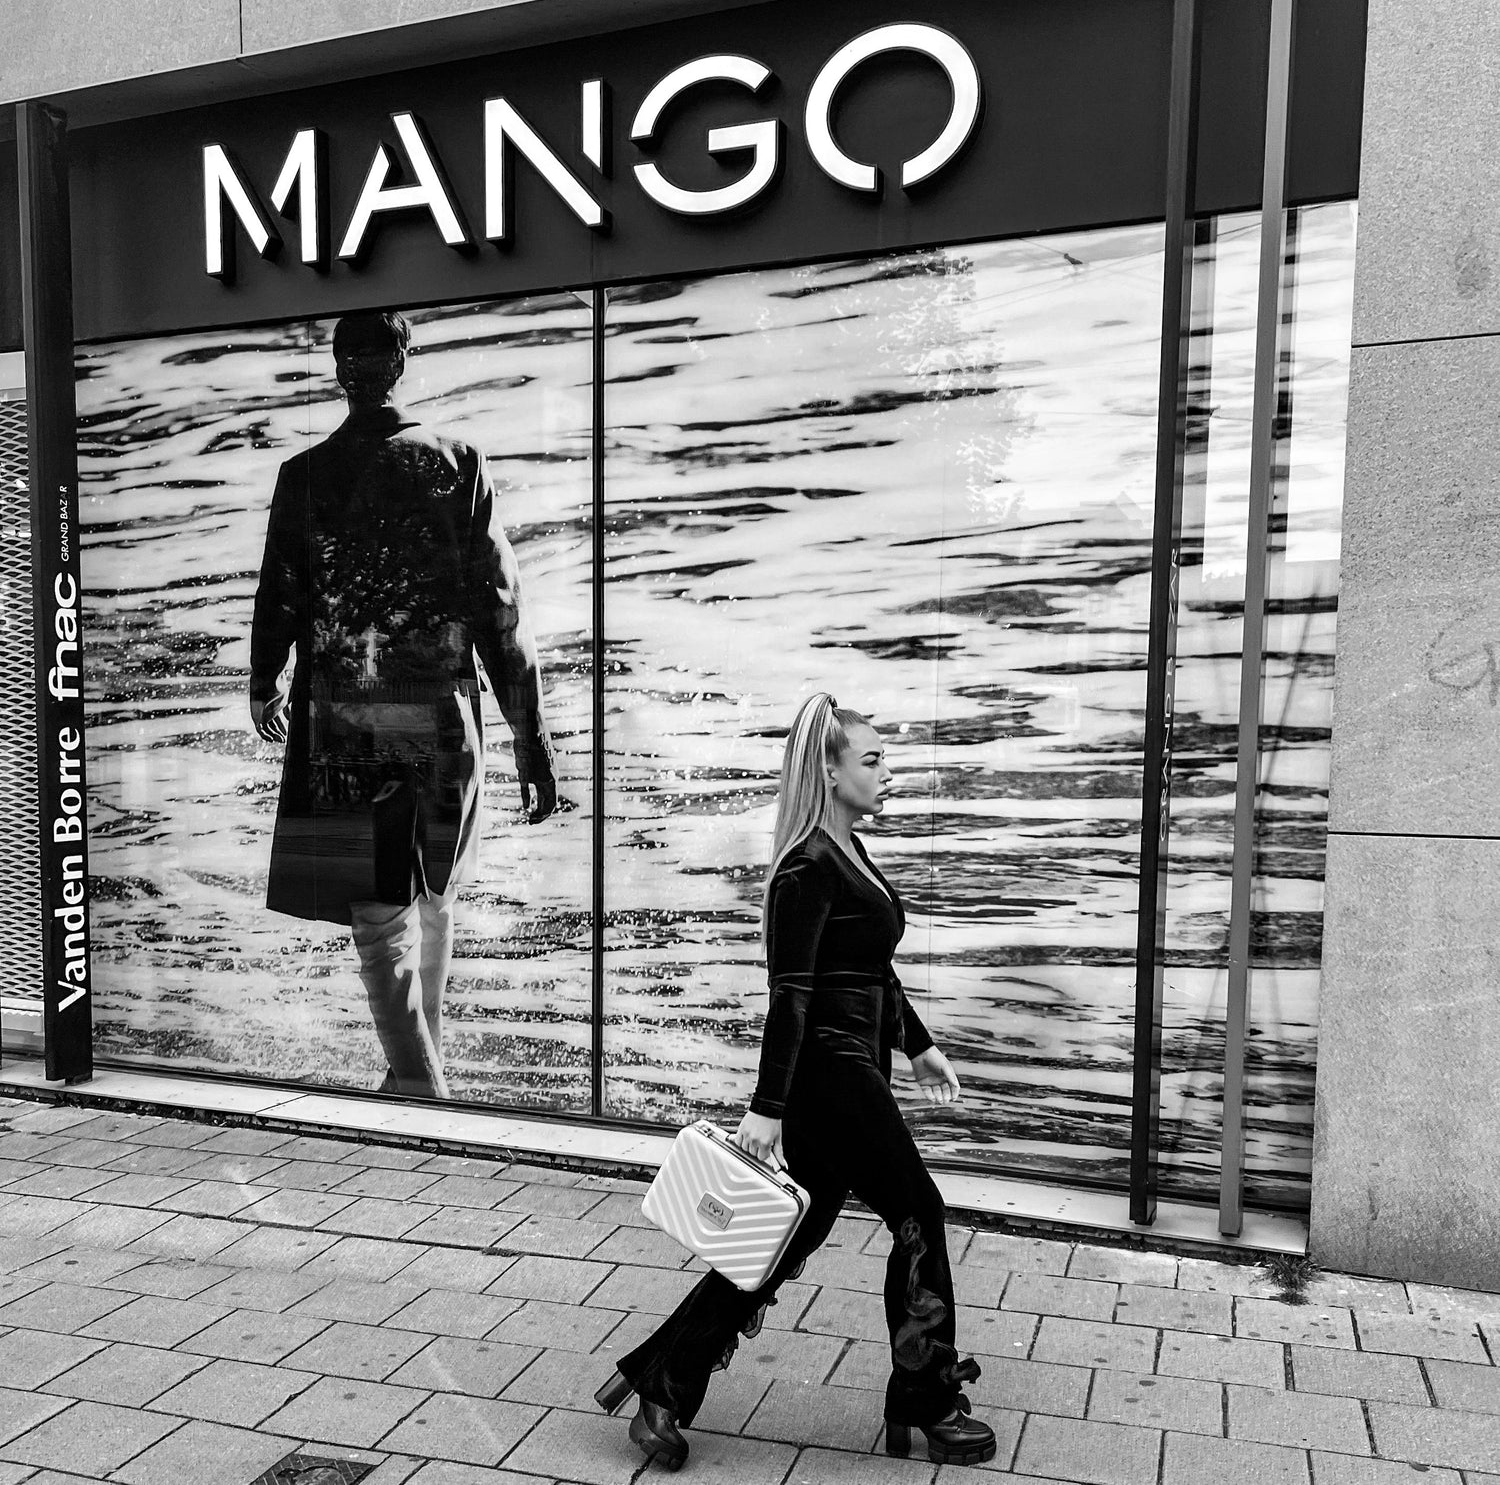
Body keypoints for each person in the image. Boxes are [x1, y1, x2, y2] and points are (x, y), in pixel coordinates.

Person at [595, 693, 995, 1470]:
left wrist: (918, 1046)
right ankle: (922, 1403)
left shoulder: (847, 851)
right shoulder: (806, 867)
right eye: (872, 760)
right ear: (830, 768)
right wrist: (768, 1107)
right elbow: (792, 996)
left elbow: (870, 971)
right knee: (920, 1212)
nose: (887, 773)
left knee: (789, 1234)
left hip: (855, 1066)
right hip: (829, 1075)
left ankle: (662, 1389)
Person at [249, 310, 556, 1099]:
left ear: (339, 371)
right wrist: (531, 738)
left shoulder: (305, 475)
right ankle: (419, 1070)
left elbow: (277, 596)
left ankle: (420, 1083)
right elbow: (499, 613)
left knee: (377, 923)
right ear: (403, 363)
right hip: (441, 716)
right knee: (435, 899)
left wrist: (263, 679)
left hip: (345, 721)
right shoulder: (456, 462)